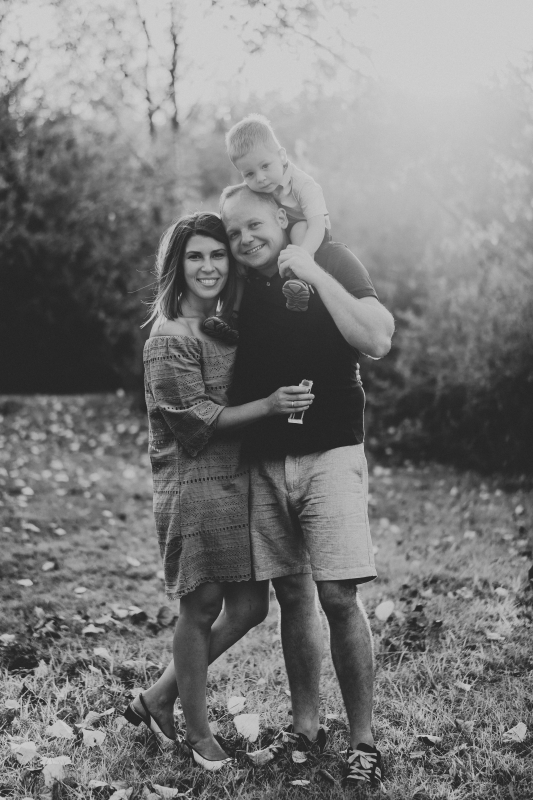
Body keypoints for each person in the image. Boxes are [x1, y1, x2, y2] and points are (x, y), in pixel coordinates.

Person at [124, 212, 314, 771]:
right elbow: (195, 421)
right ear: (176, 266)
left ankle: (157, 697)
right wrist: (270, 405)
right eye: (195, 257)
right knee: (202, 605)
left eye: (216, 255)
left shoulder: (222, 325)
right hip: (194, 484)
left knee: (250, 606)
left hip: (241, 480)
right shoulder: (169, 337)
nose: (208, 267)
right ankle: (198, 733)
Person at [220, 184, 394, 789]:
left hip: (331, 452)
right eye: (233, 232)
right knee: (292, 596)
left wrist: (313, 270)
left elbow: (377, 339)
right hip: (265, 459)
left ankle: (363, 741)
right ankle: (305, 727)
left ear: (280, 216)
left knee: (339, 596)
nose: (245, 239)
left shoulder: (334, 258)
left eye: (254, 225)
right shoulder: (239, 287)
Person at [226, 113, 331, 313]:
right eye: (249, 174)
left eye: (265, 166)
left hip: (311, 232)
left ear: (281, 156)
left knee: (299, 227)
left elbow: (317, 224)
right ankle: (230, 314)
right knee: (239, 263)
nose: (260, 178)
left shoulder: (304, 185)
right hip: (281, 231)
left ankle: (301, 283)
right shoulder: (258, 187)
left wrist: (301, 256)